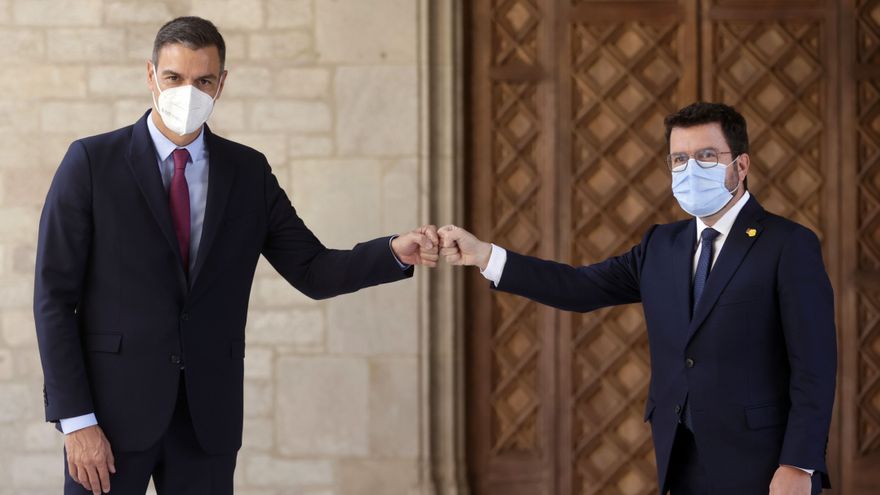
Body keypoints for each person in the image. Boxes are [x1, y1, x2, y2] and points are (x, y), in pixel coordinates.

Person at [34, 16, 439, 495]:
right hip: (108, 417)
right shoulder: (90, 163)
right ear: (150, 76)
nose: (189, 91)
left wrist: (394, 252)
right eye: (174, 78)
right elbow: (54, 298)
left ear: (221, 84)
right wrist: (77, 420)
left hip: (207, 420)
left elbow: (313, 269)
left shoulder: (247, 172)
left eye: (203, 80)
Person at [438, 102, 836, 494]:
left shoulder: (788, 245)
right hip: (681, 458)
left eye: (706, 155)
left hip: (764, 466)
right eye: (679, 159)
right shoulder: (661, 246)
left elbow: (814, 366)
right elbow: (579, 288)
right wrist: (483, 255)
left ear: (742, 165)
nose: (690, 168)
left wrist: (799, 464)